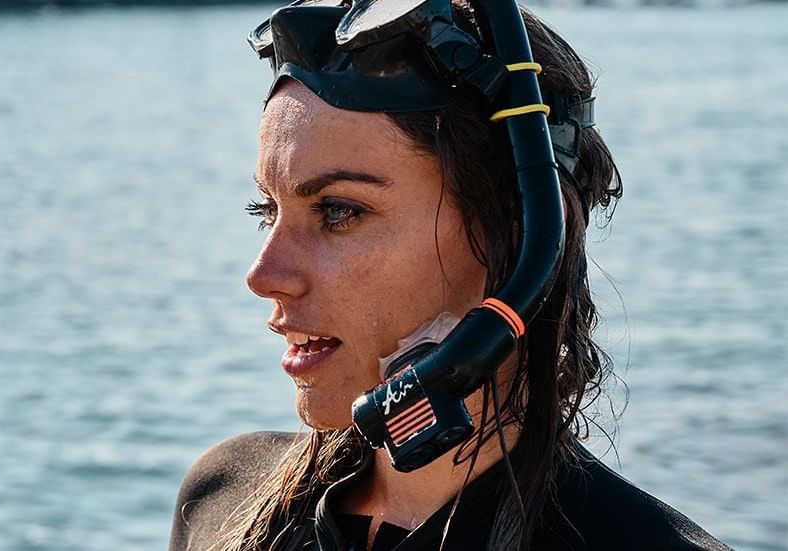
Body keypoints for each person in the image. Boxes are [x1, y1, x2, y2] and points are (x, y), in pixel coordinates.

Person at [169, 1, 733, 549]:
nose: (263, 275)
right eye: (266, 211)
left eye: (339, 211)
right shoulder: (219, 500)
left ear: (521, 233)